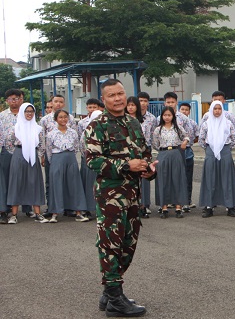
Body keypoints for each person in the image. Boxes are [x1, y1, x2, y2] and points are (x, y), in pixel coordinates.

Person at [85, 79, 156, 316]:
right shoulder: (97, 126)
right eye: (112, 95)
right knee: (110, 244)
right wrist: (127, 164)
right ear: (103, 100)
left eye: (121, 93)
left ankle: (109, 292)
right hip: (110, 195)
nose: (118, 98)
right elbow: (92, 160)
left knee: (129, 243)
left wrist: (148, 168)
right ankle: (115, 297)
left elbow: (144, 153)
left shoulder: (133, 122)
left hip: (133, 193)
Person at [44, 110, 89, 223]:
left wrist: (71, 158)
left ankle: (78, 212)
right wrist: (54, 162)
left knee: (74, 184)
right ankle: (55, 213)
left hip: (71, 159)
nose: (63, 119)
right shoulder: (51, 134)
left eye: (65, 117)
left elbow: (76, 146)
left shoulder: (73, 132)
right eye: (60, 117)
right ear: (55, 119)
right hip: (57, 158)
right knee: (56, 185)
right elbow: (49, 150)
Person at [198, 100, 235, 218]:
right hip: (210, 152)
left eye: (219, 109)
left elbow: (234, 139)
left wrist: (224, 148)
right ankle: (209, 207)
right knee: (210, 178)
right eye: (215, 108)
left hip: (225, 151)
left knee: (227, 178)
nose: (217, 111)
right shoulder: (206, 123)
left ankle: (230, 206)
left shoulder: (228, 123)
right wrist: (209, 149)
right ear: (211, 110)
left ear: (222, 110)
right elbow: (201, 140)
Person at [5, 103, 45, 224]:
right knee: (16, 182)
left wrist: (38, 154)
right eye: (27, 111)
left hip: (33, 156)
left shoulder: (37, 128)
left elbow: (42, 144)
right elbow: (8, 143)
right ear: (22, 112)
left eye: (31, 111)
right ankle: (14, 215)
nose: (29, 114)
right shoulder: (16, 127)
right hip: (18, 154)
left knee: (34, 182)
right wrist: (18, 152)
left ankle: (38, 213)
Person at [39, 94, 76, 213]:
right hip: (52, 154)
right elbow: (42, 138)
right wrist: (42, 155)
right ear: (52, 103)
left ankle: (68, 207)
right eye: (56, 102)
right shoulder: (45, 119)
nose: (58, 104)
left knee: (68, 181)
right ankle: (52, 207)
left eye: (61, 102)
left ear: (64, 104)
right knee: (51, 181)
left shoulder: (70, 118)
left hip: (67, 154)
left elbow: (75, 136)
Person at [152, 106, 189, 219]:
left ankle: (178, 207)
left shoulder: (177, 128)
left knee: (177, 180)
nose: (167, 117)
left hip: (176, 154)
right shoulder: (158, 129)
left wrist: (185, 142)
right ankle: (164, 208)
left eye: (169, 115)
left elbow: (187, 136)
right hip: (163, 154)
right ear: (162, 116)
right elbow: (155, 144)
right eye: (165, 115)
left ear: (173, 116)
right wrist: (162, 151)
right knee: (163, 180)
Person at [0, 89, 25, 223]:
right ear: (6, 101)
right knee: (4, 180)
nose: (13, 101)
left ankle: (27, 209)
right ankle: (4, 210)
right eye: (10, 99)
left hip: (23, 150)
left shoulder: (27, 114)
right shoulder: (2, 116)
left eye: (16, 98)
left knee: (24, 179)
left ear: (21, 99)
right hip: (7, 152)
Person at [79, 108, 103, 218]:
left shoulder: (105, 130)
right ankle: (88, 208)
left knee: (102, 186)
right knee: (90, 185)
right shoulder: (87, 131)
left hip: (103, 162)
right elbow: (81, 146)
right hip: (90, 161)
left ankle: (101, 208)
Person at [138, 92, 158, 217]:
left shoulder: (152, 118)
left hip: (146, 150)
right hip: (132, 150)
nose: (143, 103)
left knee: (145, 175)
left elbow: (153, 135)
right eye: (140, 100)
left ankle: (145, 204)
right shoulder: (130, 117)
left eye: (145, 101)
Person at [179, 102, 200, 212]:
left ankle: (187, 201)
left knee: (188, 177)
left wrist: (189, 143)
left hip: (188, 152)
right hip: (177, 151)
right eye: (182, 109)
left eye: (186, 110)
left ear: (189, 112)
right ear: (179, 110)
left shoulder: (192, 123)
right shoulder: (175, 122)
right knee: (177, 177)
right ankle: (176, 201)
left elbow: (197, 137)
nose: (184, 111)